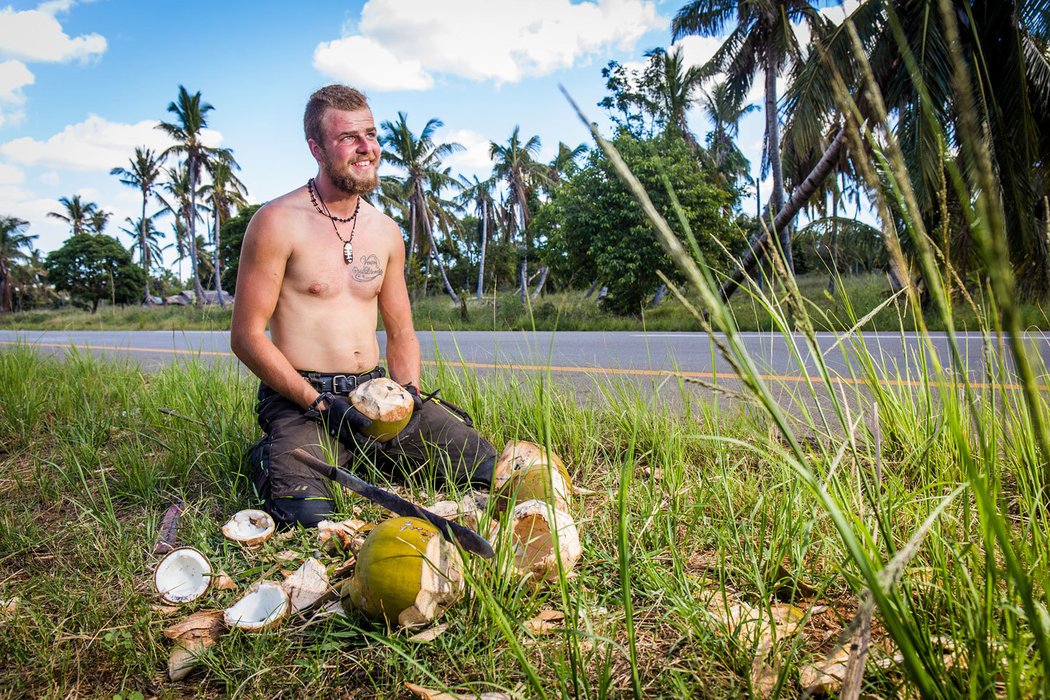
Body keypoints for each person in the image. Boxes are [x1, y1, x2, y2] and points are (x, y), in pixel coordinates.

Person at [230, 84, 496, 528]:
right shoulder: (276, 222)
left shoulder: (386, 230)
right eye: (348, 138)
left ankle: (369, 449)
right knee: (307, 517)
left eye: (371, 134)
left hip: (375, 394)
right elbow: (246, 337)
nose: (367, 148)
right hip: (302, 399)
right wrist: (319, 404)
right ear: (316, 148)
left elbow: (401, 332)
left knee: (485, 470)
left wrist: (407, 395)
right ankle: (270, 455)